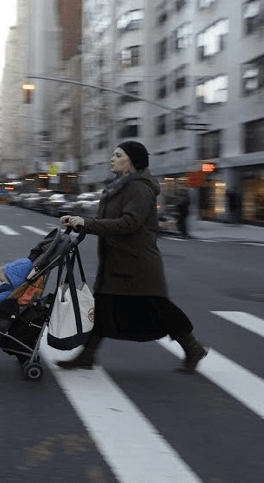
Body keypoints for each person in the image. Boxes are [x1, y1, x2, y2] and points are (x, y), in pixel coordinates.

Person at [57, 141, 208, 373]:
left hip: (137, 264)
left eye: (118, 155)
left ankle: (193, 348)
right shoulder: (120, 186)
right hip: (118, 262)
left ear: (131, 161)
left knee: (159, 308)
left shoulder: (138, 188)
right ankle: (87, 355)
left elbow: (129, 223)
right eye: (113, 155)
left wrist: (87, 223)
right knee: (103, 309)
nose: (112, 159)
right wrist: (80, 223)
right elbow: (109, 221)